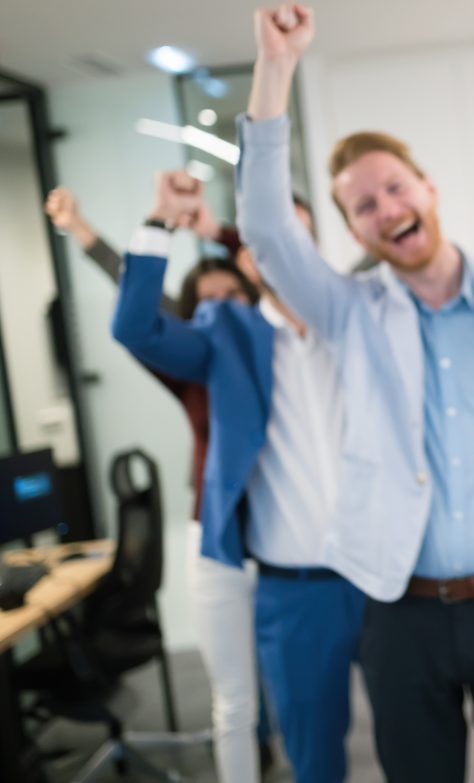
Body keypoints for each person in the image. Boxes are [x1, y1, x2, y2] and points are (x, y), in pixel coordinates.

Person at [236, 5, 474, 781]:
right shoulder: (347, 312)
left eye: (393, 187)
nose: (387, 209)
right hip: (397, 606)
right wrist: (276, 67)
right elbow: (268, 230)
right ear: (353, 228)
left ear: (427, 186)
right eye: (364, 205)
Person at [111, 170, 363, 783]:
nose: (289, 254)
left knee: (418, 746)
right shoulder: (228, 331)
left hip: (391, 577)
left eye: (301, 238)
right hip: (299, 587)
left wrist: (230, 231)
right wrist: (161, 223)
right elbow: (134, 328)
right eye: (273, 242)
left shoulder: (361, 317)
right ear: (249, 257)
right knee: (315, 756)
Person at [44, 187, 272, 783]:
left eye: (232, 297)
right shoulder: (190, 358)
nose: (220, 309)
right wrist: (85, 229)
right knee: (235, 695)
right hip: (219, 536)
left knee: (280, 687)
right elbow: (135, 305)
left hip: (283, 537)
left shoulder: (282, 346)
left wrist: (213, 231)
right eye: (206, 302)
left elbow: (277, 265)